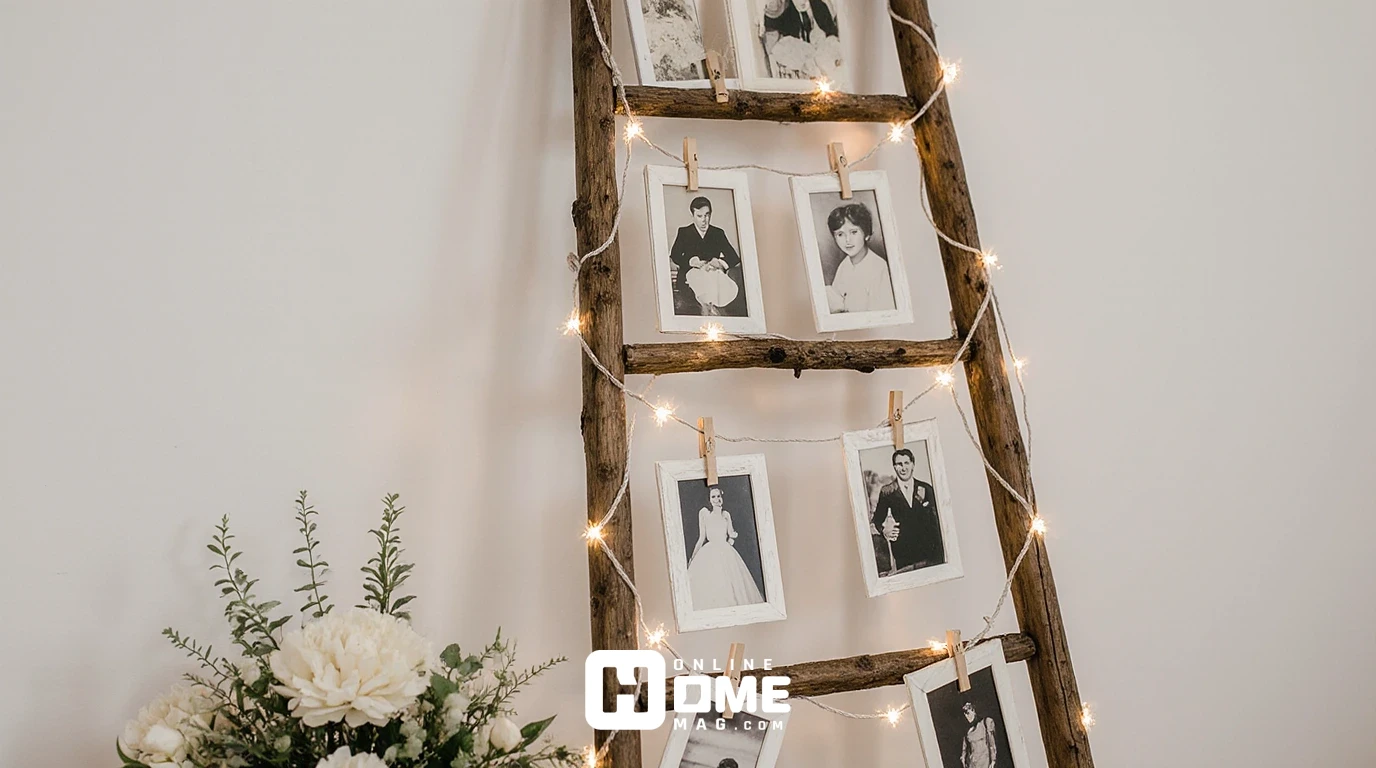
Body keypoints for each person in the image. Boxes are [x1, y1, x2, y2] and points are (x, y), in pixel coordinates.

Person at [687, 486, 764, 609]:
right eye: (713, 497)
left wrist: (731, 540)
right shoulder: (704, 514)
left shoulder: (726, 515)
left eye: (718, 496)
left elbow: (731, 533)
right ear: (709, 500)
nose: (716, 499)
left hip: (725, 551)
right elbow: (701, 538)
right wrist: (693, 557)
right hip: (709, 552)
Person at [871, 448, 944, 575]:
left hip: (931, 554)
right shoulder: (887, 491)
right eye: (899, 464)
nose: (903, 468)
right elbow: (877, 520)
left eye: (906, 463)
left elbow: (938, 520)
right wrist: (885, 530)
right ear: (894, 467)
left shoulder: (926, 488)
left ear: (913, 465)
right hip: (904, 556)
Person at [668, 196, 744, 316]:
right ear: (692, 215)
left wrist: (719, 262)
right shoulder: (684, 232)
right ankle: (708, 308)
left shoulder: (718, 233)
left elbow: (734, 257)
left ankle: (713, 310)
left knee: (720, 293)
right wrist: (691, 261)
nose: (704, 220)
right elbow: (675, 255)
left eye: (707, 215)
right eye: (699, 216)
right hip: (690, 277)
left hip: (714, 276)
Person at [824, 203, 895, 314]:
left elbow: (882, 312)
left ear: (866, 234)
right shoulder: (845, 265)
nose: (847, 240)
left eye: (853, 232)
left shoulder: (879, 268)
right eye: (840, 234)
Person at [960, 700, 998, 768]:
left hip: (985, 763)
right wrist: (964, 762)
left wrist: (993, 761)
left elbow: (992, 744)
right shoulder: (967, 732)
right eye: (964, 714)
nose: (966, 716)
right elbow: (964, 750)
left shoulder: (986, 723)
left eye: (967, 712)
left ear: (973, 710)